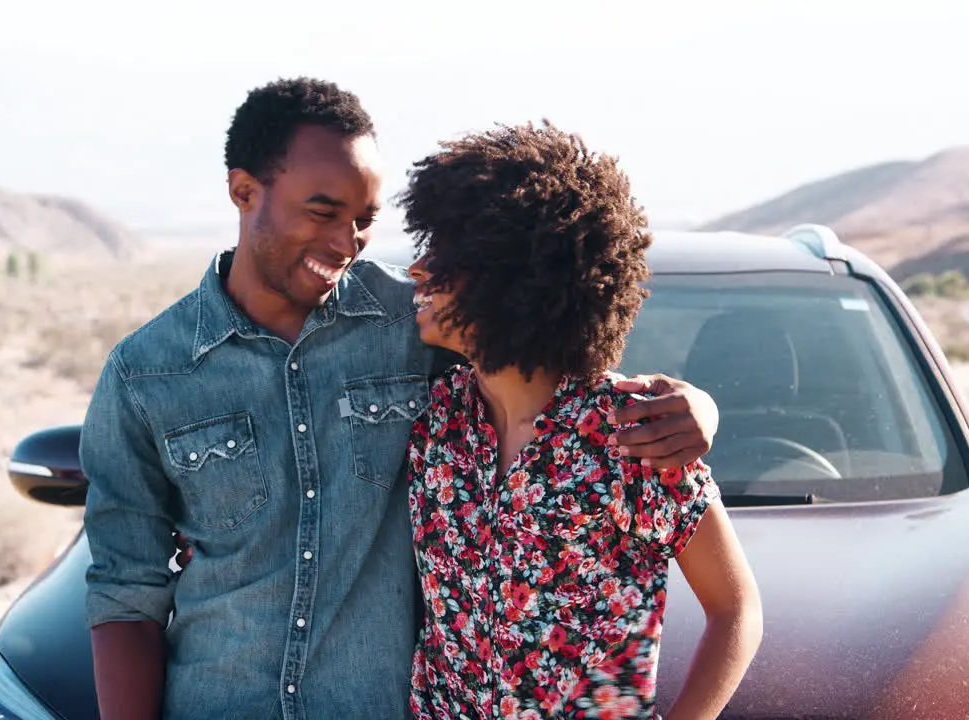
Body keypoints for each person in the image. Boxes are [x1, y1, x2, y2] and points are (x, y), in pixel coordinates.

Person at [80, 77, 722, 720]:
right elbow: (125, 594)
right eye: (323, 212)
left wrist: (696, 405)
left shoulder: (416, 328)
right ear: (245, 191)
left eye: (365, 220)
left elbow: (542, 361)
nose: (346, 242)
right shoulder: (146, 374)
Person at [399, 122, 763, 719]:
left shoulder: (628, 433)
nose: (419, 270)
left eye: (448, 256)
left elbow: (737, 608)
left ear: (511, 277)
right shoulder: (435, 421)